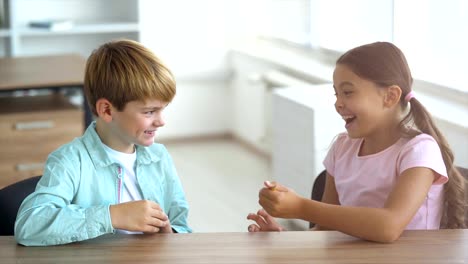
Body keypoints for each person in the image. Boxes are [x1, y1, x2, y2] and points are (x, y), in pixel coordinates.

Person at [247, 42, 466, 243]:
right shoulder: (342, 148)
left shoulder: (419, 151)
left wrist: (301, 207)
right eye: (336, 94)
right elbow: (326, 231)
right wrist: (284, 240)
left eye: (348, 92)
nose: (338, 104)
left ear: (390, 97)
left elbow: (387, 227)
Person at [15, 39, 191, 246]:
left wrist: (172, 234)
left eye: (163, 109)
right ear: (107, 110)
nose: (161, 121)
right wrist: (111, 216)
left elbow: (182, 225)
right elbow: (29, 224)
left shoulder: (159, 157)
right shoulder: (71, 161)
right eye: (150, 111)